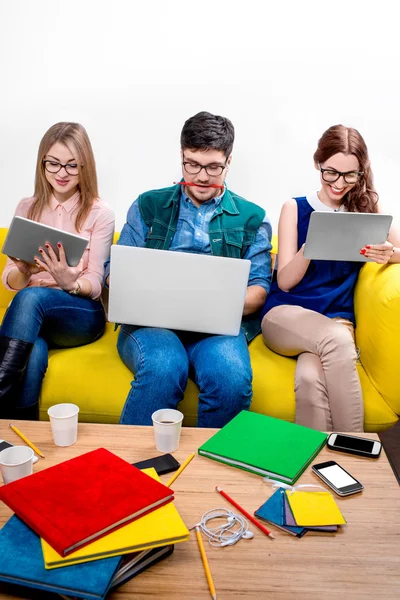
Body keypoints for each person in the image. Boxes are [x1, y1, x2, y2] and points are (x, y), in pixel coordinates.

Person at [104, 111, 272, 428]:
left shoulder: (253, 217)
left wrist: (204, 301)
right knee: (165, 366)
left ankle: (209, 474)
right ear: (181, 155)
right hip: (149, 324)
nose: (201, 176)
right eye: (192, 164)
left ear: (229, 161)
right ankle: (131, 472)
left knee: (231, 379)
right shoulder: (148, 205)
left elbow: (258, 291)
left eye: (213, 167)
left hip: (216, 330)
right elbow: (115, 273)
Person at [261, 124, 400, 432]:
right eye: (331, 173)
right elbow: (284, 282)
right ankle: (359, 449)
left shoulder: (366, 209)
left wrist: (389, 252)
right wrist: (310, 246)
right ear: (317, 164)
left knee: (310, 379)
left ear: (361, 172)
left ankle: (319, 470)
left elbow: (399, 249)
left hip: (335, 321)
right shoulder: (294, 207)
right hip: (285, 316)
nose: (340, 183)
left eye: (350, 175)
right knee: (337, 341)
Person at [0, 122, 115, 419]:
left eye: (71, 165)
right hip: (31, 315)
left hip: (79, 312)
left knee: (31, 298)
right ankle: (16, 438)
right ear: (42, 163)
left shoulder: (100, 213)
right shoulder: (27, 207)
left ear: (85, 166)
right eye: (53, 164)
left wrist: (70, 283)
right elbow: (10, 279)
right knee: (33, 349)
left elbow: (95, 283)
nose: (61, 173)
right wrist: (24, 270)